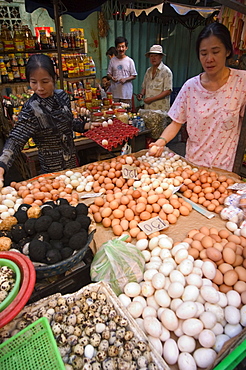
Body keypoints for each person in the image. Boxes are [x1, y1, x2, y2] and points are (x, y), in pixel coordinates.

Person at [150, 22, 246, 172]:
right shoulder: (190, 87)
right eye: (204, 53)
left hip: (225, 170)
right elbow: (176, 123)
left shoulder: (241, 82)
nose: (209, 59)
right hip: (193, 167)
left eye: (215, 52)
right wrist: (160, 142)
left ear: (227, 51)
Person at [0, 54, 91, 184]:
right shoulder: (31, 109)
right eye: (33, 82)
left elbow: (68, 122)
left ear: (54, 78)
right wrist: (2, 166)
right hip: (51, 173)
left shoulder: (62, 97)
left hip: (73, 166)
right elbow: (15, 139)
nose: (39, 88)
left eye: (45, 82)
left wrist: (86, 126)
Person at [137, 45, 173, 112]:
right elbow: (144, 86)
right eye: (151, 56)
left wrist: (151, 99)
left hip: (161, 109)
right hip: (148, 108)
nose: (153, 58)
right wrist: (141, 94)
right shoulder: (148, 71)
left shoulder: (166, 71)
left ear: (161, 57)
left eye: (156, 56)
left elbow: (168, 91)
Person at [107, 36, 137, 106]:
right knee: (115, 112)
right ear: (116, 48)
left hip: (126, 93)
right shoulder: (112, 60)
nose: (121, 49)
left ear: (126, 48)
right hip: (115, 93)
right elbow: (109, 74)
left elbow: (134, 75)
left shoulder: (130, 61)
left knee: (126, 113)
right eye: (119, 47)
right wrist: (112, 78)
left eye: (123, 47)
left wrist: (125, 79)